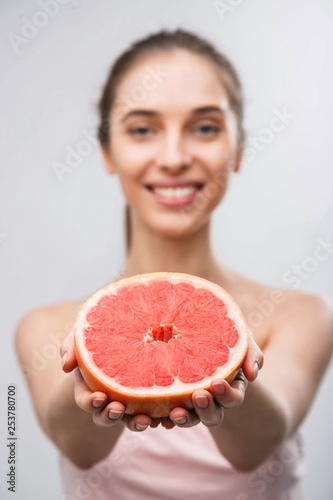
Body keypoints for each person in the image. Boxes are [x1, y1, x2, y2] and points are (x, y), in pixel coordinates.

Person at [15, 29, 333, 500]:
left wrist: (224, 363)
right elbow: (76, 445)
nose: (173, 158)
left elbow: (261, 441)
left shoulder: (303, 315)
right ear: (106, 152)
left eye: (205, 127)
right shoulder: (49, 329)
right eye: (142, 129)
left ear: (239, 147)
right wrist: (95, 368)